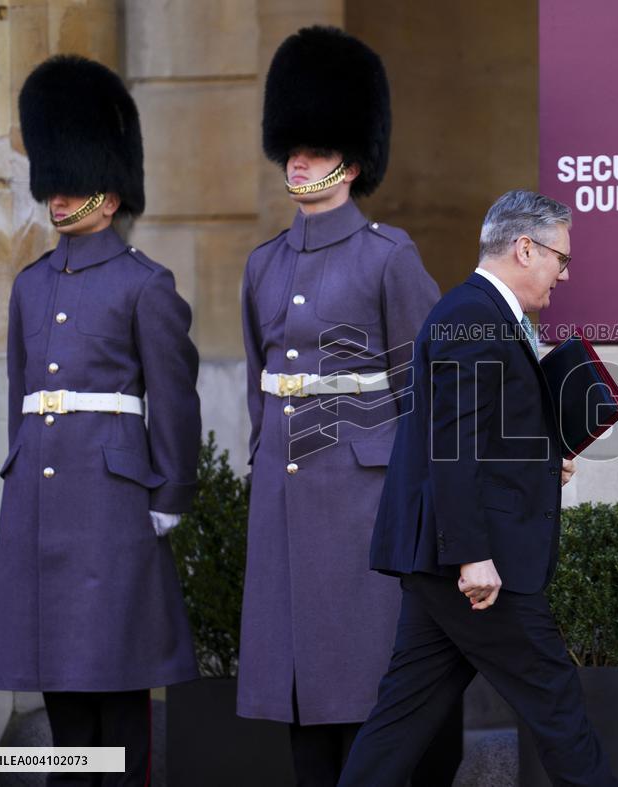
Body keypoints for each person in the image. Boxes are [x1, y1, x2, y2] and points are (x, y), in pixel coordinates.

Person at [337, 190, 618, 786]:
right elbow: (452, 446)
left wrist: (541, 461)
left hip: (448, 559)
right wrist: (472, 556)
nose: (565, 275)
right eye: (562, 259)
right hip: (476, 563)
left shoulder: (482, 313)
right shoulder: (471, 317)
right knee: (557, 703)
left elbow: (480, 433)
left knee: (400, 721)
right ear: (525, 249)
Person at [236, 26, 456, 785]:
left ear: (351, 163)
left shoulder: (388, 257)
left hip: (363, 499)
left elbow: (424, 388)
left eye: (317, 150)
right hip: (285, 494)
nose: (298, 161)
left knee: (361, 680)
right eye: (292, 149)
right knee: (298, 689)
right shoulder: (264, 264)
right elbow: (260, 384)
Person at [0, 55, 201, 785]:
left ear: (108, 198)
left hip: (114, 506)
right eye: (55, 180)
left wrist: (170, 494)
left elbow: (174, 398)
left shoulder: (145, 284)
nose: (59, 195)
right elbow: (22, 398)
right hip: (41, 507)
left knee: (117, 686)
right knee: (62, 691)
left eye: (74, 183)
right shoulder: (30, 286)